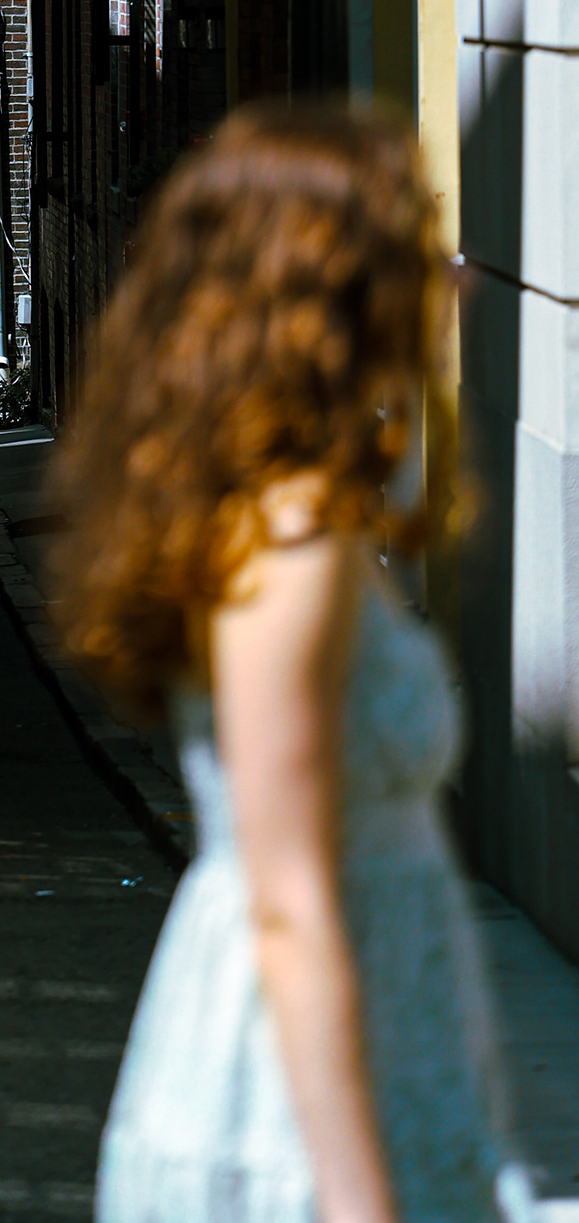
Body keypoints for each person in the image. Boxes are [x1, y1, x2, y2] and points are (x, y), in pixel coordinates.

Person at [50, 101, 524, 1223]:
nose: (454, 279)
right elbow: (289, 900)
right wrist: (358, 1199)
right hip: (294, 1112)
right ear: (331, 289)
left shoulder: (311, 519)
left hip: (382, 1057)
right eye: (416, 247)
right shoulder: (291, 539)